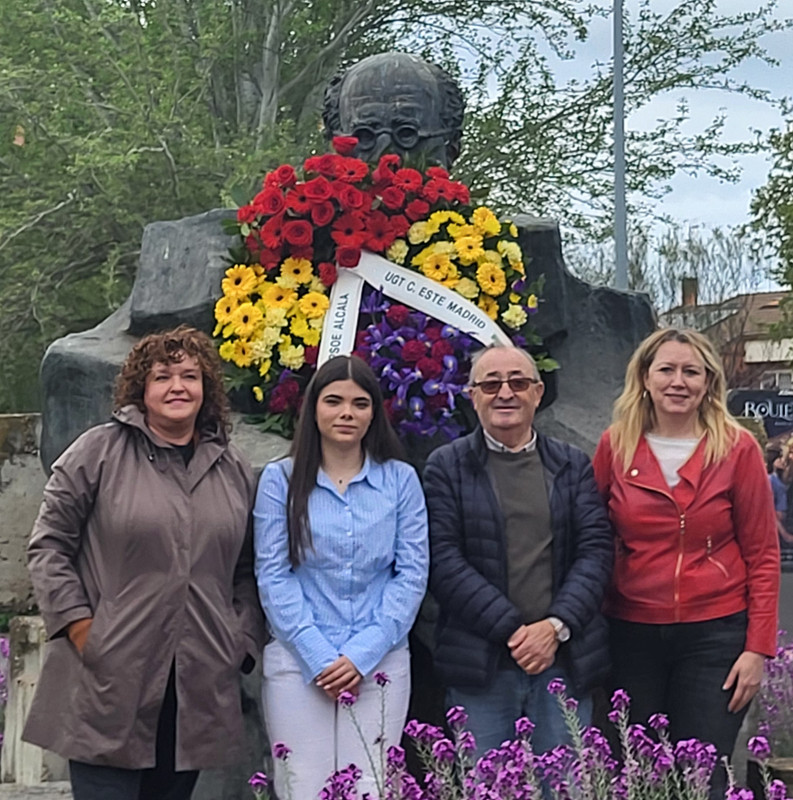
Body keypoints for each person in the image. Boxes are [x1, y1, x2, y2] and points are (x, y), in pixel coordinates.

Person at [23, 326, 266, 800]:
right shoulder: (97, 452)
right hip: (107, 680)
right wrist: (79, 627)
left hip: (196, 684)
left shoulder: (233, 469)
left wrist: (239, 641)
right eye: (163, 377)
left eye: (190, 376)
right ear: (141, 390)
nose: (178, 386)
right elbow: (49, 545)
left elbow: (249, 568)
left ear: (206, 388)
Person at [592, 327, 779, 798]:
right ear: (646, 378)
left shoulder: (739, 450)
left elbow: (762, 553)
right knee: (635, 776)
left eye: (691, 371)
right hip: (630, 635)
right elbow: (593, 538)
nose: (679, 381)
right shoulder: (615, 445)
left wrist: (757, 650)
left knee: (701, 778)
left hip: (715, 635)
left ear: (709, 382)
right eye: (667, 370)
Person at [424, 344, 613, 756]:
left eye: (518, 382)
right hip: (481, 668)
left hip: (560, 661)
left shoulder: (571, 464)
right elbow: (443, 560)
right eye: (490, 384)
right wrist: (514, 631)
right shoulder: (445, 467)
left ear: (538, 392)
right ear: (472, 395)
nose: (505, 393)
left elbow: (596, 551)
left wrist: (553, 628)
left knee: (563, 786)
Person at [253, 356, 428, 798]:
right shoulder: (280, 480)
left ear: (374, 413)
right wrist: (319, 656)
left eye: (359, 403)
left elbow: (410, 576)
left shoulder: (400, 481)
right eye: (333, 401)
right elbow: (273, 574)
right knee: (303, 787)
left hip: (380, 660)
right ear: (313, 409)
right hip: (299, 661)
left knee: (370, 786)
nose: (346, 413)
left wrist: (361, 654)